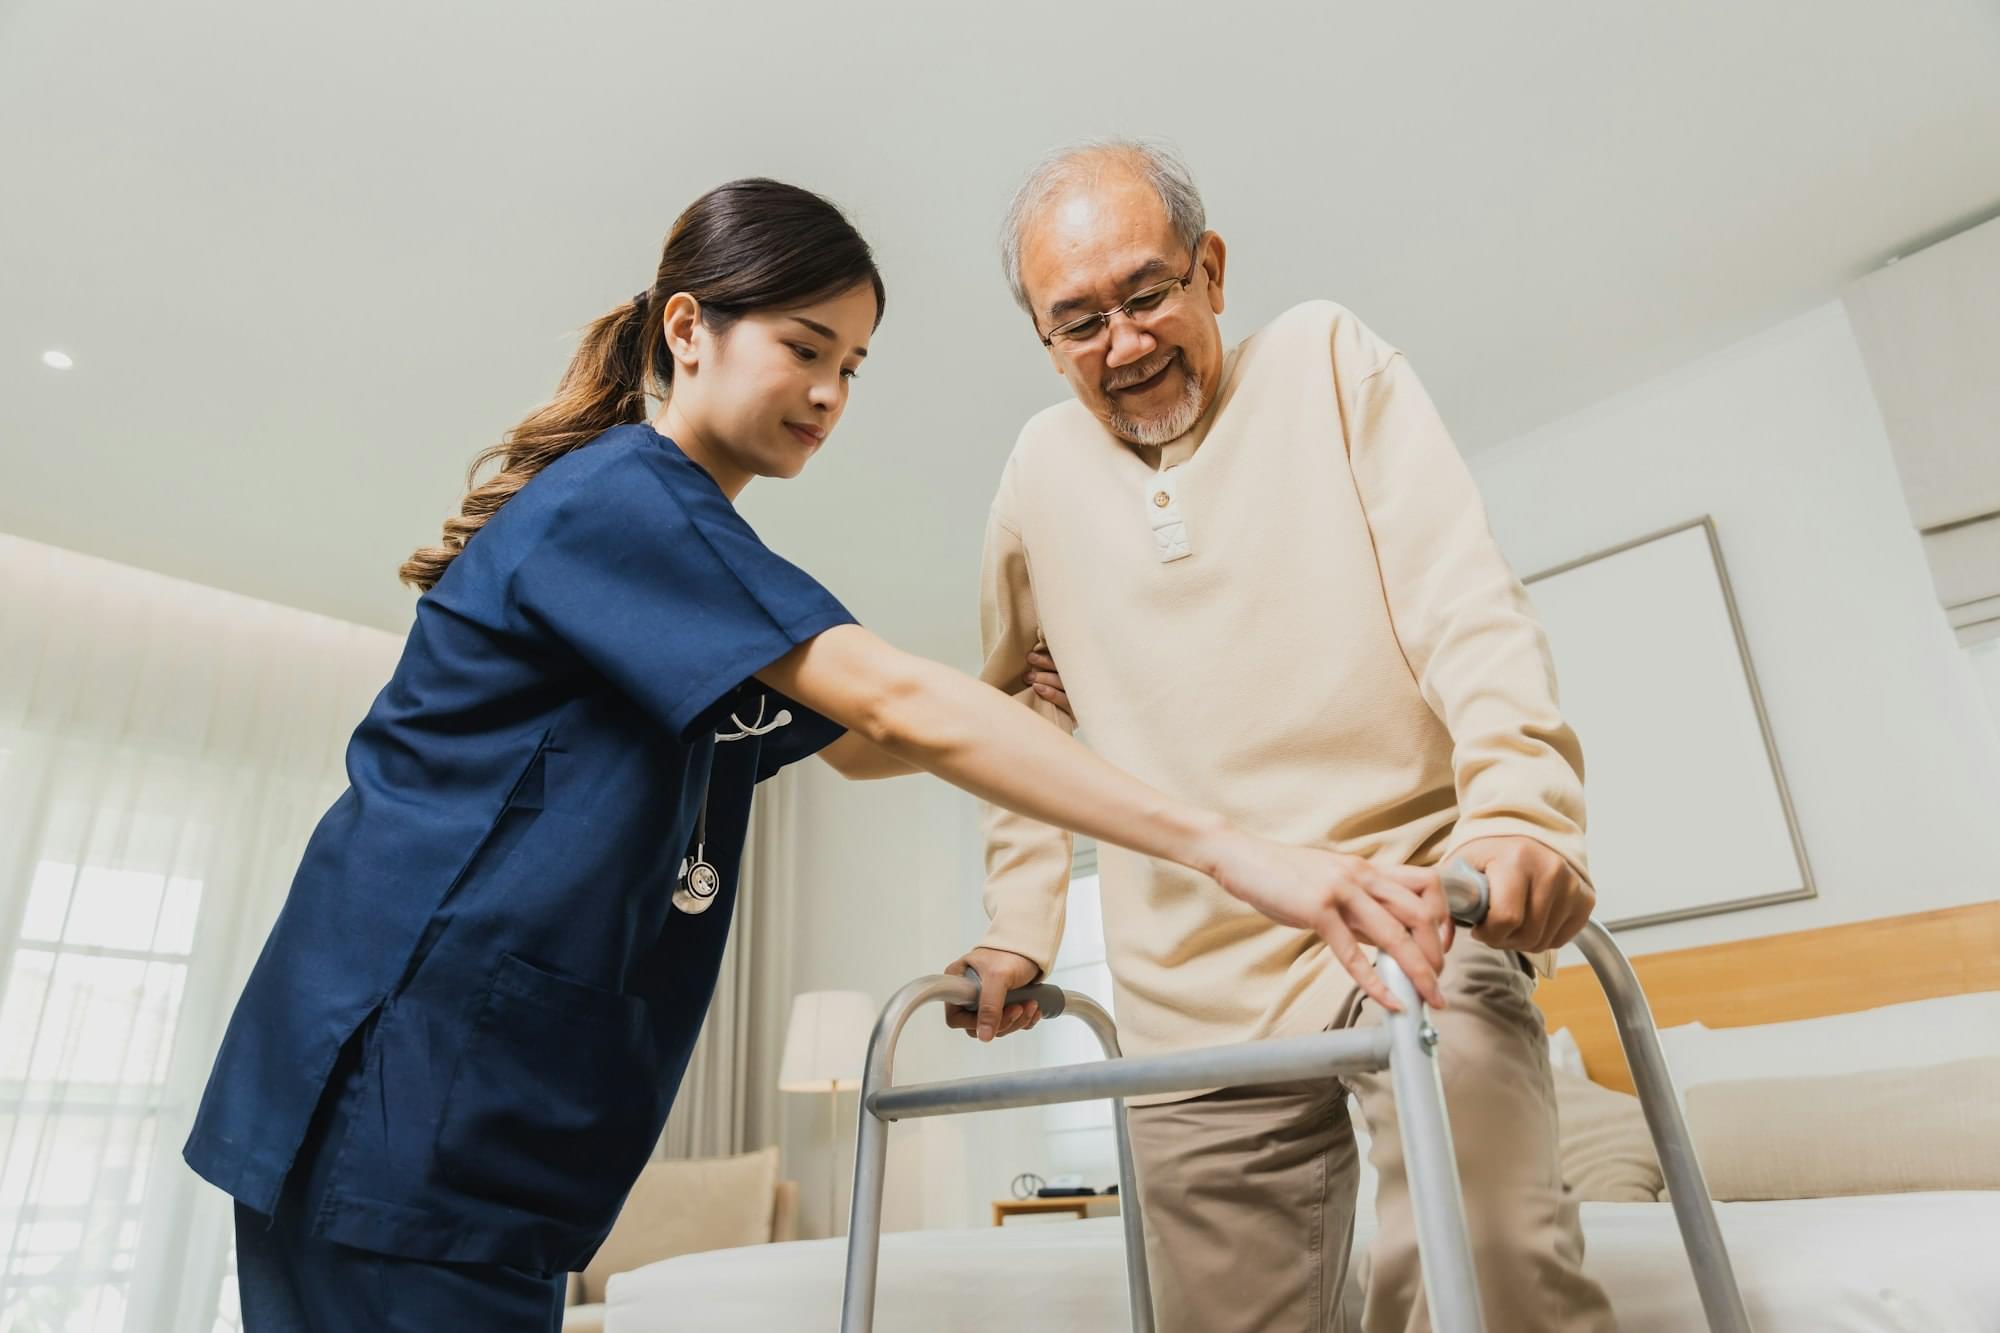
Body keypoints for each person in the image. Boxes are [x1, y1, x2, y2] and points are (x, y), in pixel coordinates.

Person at [182, 176, 1455, 1332]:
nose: (831, 395)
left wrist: (1026, 686)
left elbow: (854, 746)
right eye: (803, 349)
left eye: (852, 364)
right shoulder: (621, 502)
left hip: (485, 1114)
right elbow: (894, 707)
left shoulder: (689, 556)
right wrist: (1238, 852)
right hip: (401, 1083)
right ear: (686, 328)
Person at [946, 141, 1617, 1331]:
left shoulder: (1322, 360)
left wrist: (1519, 811)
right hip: (1185, 991)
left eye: (1147, 293)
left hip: (1401, 914)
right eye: (1079, 321)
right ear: (1045, 343)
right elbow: (1016, 707)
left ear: (1208, 271)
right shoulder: (1037, 472)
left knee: (1492, 1258)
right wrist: (1018, 930)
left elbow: (1462, 601)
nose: (1125, 343)